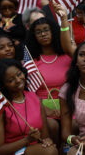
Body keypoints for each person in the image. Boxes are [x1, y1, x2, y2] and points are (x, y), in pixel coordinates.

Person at [0, 59, 58, 155]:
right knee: (50, 152)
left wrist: (47, 141)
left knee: (50, 149)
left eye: (19, 74)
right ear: (2, 84)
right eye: (10, 80)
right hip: (10, 152)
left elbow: (45, 137)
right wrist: (27, 140)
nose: (18, 80)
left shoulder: (35, 98)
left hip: (34, 149)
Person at [26, 17, 72, 147]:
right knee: (52, 126)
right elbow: (28, 93)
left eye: (46, 30)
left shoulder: (67, 56)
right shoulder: (31, 62)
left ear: (54, 32)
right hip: (43, 109)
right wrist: (45, 110)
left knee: (73, 125)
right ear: (34, 36)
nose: (43, 34)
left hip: (69, 105)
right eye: (38, 32)